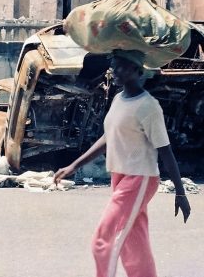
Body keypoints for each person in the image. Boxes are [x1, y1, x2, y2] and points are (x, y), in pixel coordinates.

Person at [54, 50, 191, 277]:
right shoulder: (119, 99)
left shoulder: (149, 106)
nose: (114, 71)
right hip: (120, 176)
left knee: (103, 238)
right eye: (114, 65)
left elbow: (165, 150)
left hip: (140, 178)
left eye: (122, 67)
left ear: (139, 71)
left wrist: (180, 192)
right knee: (134, 244)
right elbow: (108, 137)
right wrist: (74, 166)